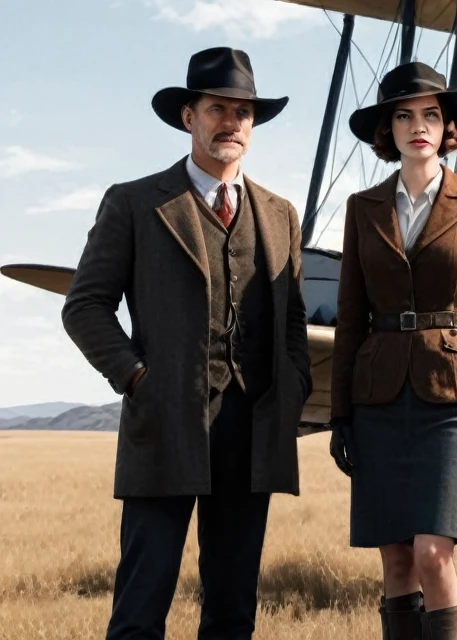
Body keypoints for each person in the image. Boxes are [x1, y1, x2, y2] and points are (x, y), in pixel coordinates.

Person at [60, 47, 311, 639]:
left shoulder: (280, 215)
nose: (232, 122)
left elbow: (293, 320)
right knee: (141, 609)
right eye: (218, 108)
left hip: (252, 433)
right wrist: (136, 378)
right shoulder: (135, 202)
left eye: (243, 112)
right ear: (188, 117)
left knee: (232, 610)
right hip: (164, 424)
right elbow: (84, 307)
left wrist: (293, 385)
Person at [326, 61, 457, 640]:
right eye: (404, 115)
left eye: (430, 114)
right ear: (388, 129)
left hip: (452, 397)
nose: (418, 126)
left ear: (446, 126)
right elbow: (350, 319)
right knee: (395, 561)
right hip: (377, 397)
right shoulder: (363, 208)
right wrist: (340, 416)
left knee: (434, 555)